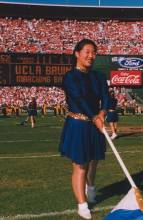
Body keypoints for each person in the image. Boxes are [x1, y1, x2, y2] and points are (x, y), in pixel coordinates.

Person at [59, 39, 109, 220]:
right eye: (87, 51)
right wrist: (94, 116)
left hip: (96, 123)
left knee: (94, 160)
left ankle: (91, 188)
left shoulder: (99, 76)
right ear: (77, 54)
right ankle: (82, 204)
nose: (91, 55)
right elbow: (78, 99)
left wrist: (102, 113)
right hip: (78, 124)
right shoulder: (70, 77)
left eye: (94, 52)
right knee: (80, 165)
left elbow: (105, 96)